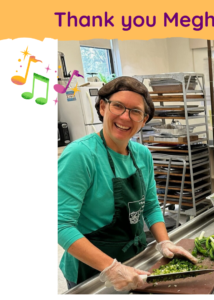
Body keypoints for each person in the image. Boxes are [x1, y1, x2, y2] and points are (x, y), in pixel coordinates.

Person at [58, 76, 197, 292]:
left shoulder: (142, 154)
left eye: (135, 111)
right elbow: (61, 225)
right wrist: (111, 269)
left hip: (134, 261)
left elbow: (150, 206)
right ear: (103, 107)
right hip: (91, 272)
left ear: (144, 120)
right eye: (118, 106)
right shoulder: (81, 154)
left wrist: (164, 242)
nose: (125, 116)